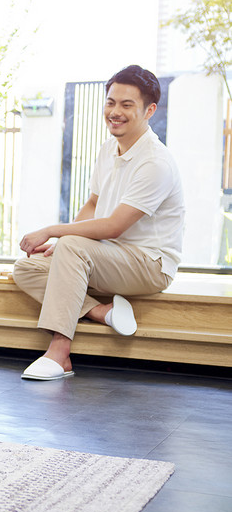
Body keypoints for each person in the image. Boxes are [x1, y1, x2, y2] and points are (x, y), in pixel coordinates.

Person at [13, 65, 185, 380]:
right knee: (27, 267)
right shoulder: (109, 149)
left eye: (126, 105)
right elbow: (94, 204)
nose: (114, 112)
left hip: (149, 264)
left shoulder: (156, 163)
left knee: (73, 246)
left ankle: (59, 353)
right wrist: (61, 246)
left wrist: (54, 232)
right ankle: (102, 312)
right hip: (108, 256)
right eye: (110, 102)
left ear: (149, 110)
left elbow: (113, 227)